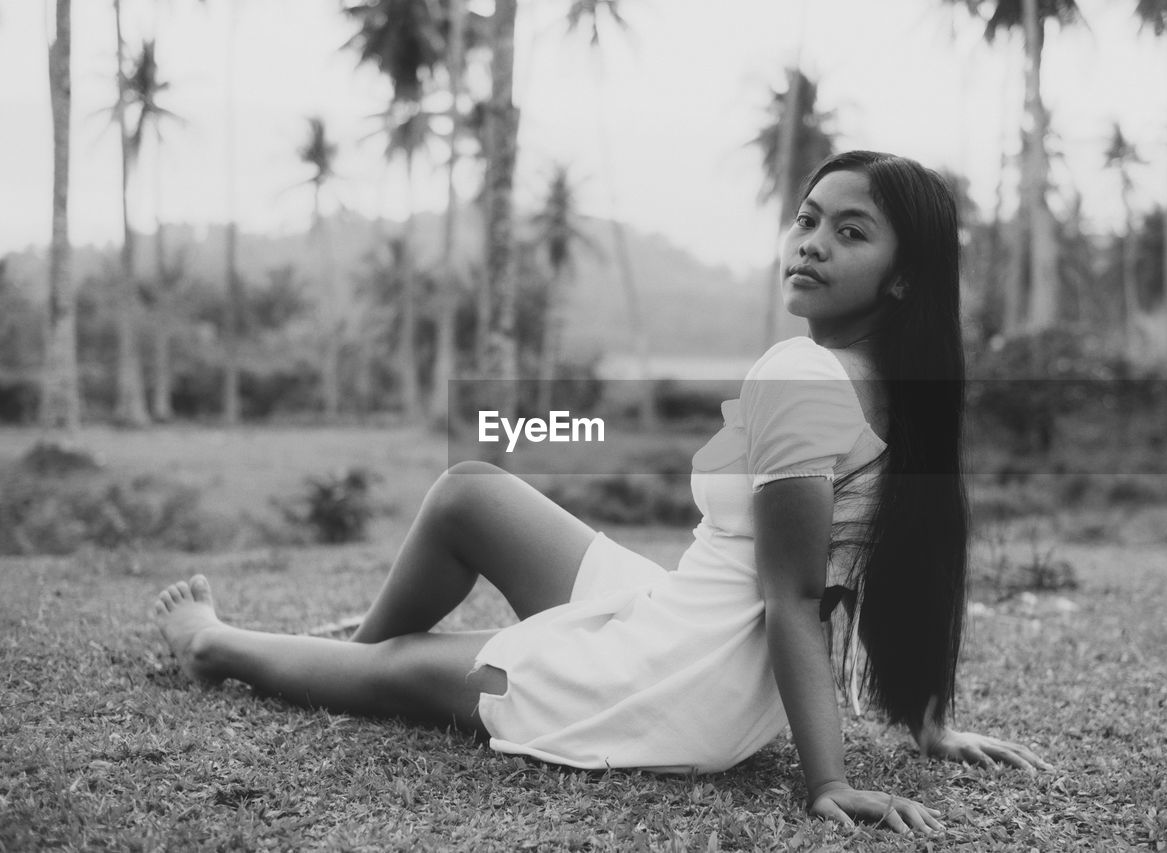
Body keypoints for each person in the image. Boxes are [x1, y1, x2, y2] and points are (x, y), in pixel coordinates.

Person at [153, 150, 1049, 836]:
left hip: (664, 679)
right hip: (680, 626)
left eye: (851, 232)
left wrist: (829, 783)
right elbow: (896, 569)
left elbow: (796, 598)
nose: (813, 242)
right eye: (810, 219)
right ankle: (374, 659)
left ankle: (227, 649)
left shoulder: (802, 375)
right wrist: (927, 720)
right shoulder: (894, 390)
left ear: (903, 276)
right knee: (469, 491)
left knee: (397, 668)